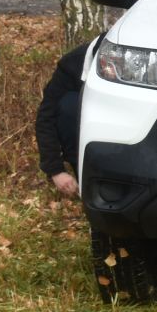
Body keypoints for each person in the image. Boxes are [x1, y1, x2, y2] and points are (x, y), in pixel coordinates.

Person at [35, 40, 93, 199]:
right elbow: (46, 117)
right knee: (69, 104)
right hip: (91, 143)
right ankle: (85, 177)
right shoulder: (74, 63)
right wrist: (56, 171)